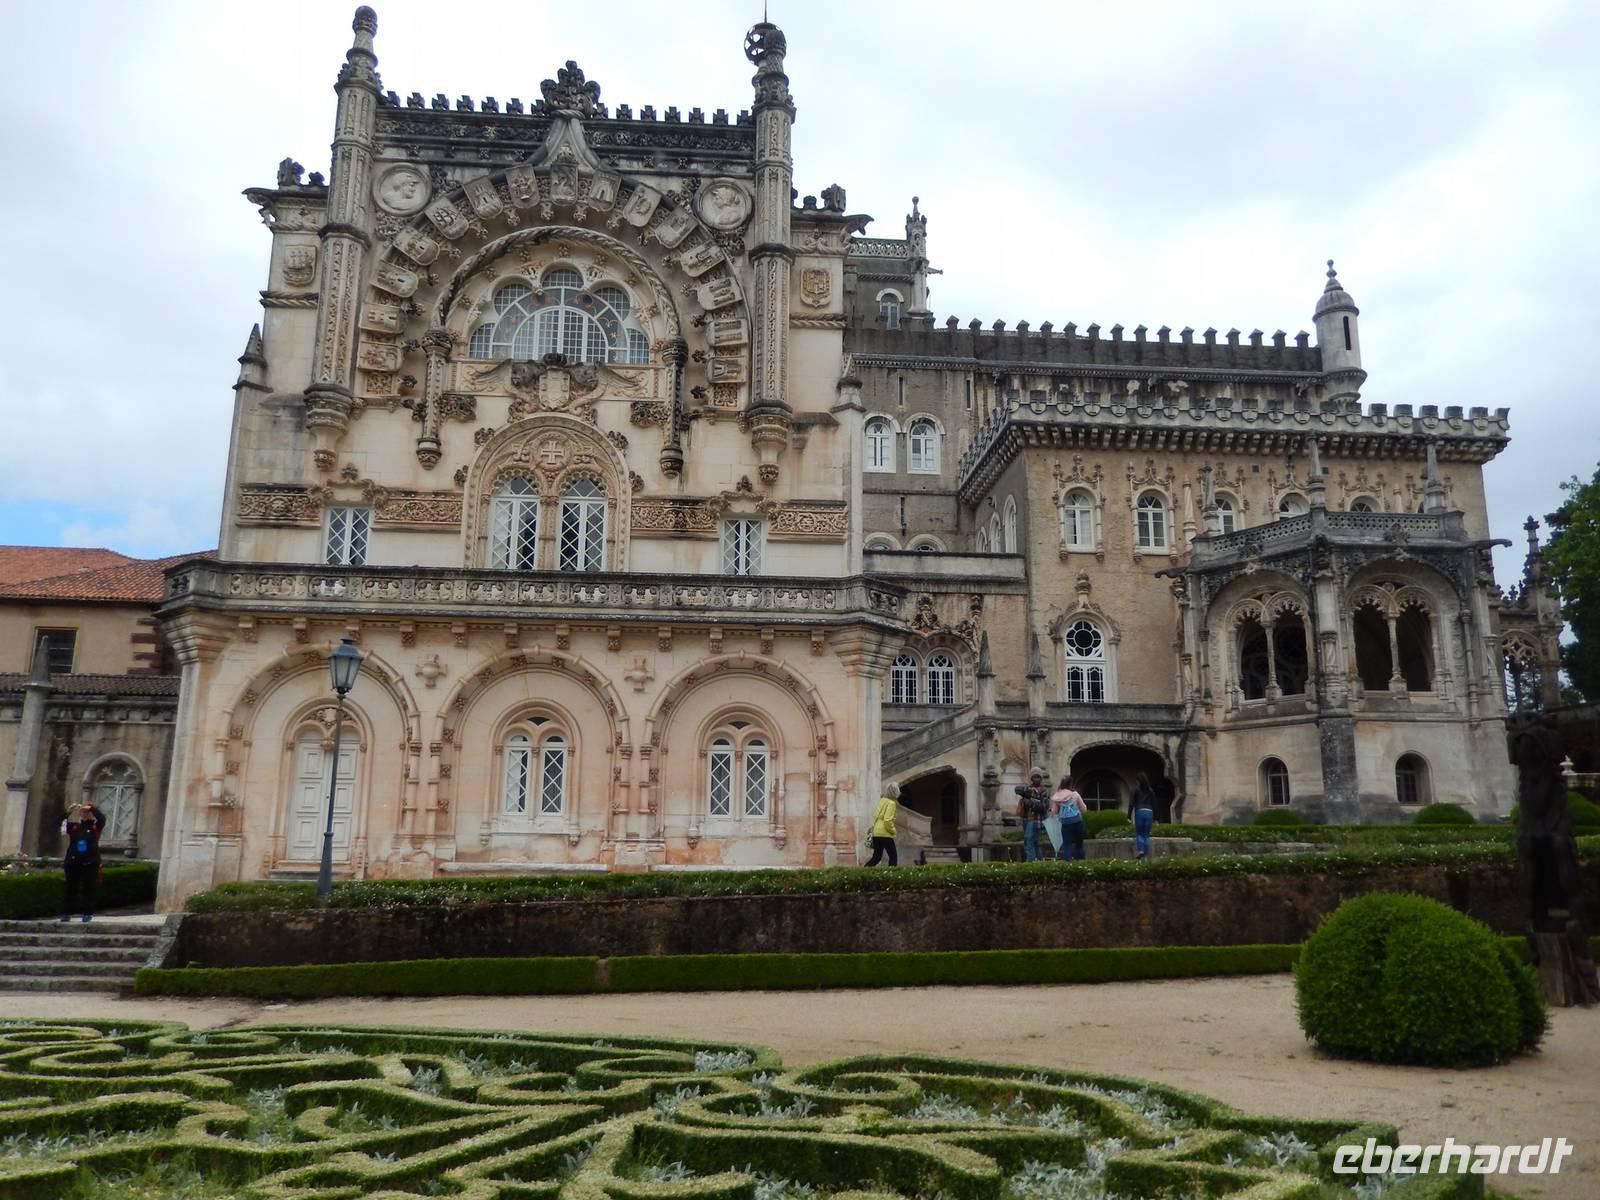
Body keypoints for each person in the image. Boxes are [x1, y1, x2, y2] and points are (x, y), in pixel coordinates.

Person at [60, 801, 106, 922]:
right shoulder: (75, 827)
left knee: (88, 888)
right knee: (70, 887)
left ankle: (87, 913)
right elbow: (61, 824)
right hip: (73, 861)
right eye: (83, 812)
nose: (84, 814)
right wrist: (69, 812)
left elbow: (102, 818)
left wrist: (91, 808)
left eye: (87, 812)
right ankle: (66, 913)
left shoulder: (95, 826)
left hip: (90, 861)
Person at [1014, 767, 1051, 861]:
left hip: (1036, 820)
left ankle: (1030, 862)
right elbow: (1017, 790)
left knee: (1028, 840)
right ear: (1031, 778)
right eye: (1034, 777)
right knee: (1034, 842)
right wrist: (1023, 795)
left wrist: (1030, 802)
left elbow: (1044, 807)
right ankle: (1038, 861)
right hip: (1026, 819)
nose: (1036, 779)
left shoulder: (1044, 791)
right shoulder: (1027, 788)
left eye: (1038, 777)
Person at [1051, 774, 1087, 861]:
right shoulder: (1075, 794)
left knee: (1067, 845)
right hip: (1077, 821)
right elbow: (1084, 809)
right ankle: (1081, 862)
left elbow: (1054, 811)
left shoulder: (1057, 796)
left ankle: (1068, 864)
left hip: (1065, 823)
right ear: (1070, 784)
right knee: (1079, 844)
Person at [866, 782, 900, 866]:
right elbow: (887, 820)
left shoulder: (882, 801)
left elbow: (876, 815)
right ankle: (891, 876)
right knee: (893, 856)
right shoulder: (891, 803)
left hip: (876, 832)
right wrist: (893, 831)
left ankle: (864, 870)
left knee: (876, 857)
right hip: (885, 833)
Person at [1129, 770, 1156, 859]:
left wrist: (1128, 816)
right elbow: (1154, 804)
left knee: (1139, 833)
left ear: (1138, 781)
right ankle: (1145, 852)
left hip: (1140, 811)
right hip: (1149, 812)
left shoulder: (1136, 790)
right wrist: (1156, 818)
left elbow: (1131, 803)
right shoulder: (1151, 791)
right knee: (1146, 834)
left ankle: (1140, 850)